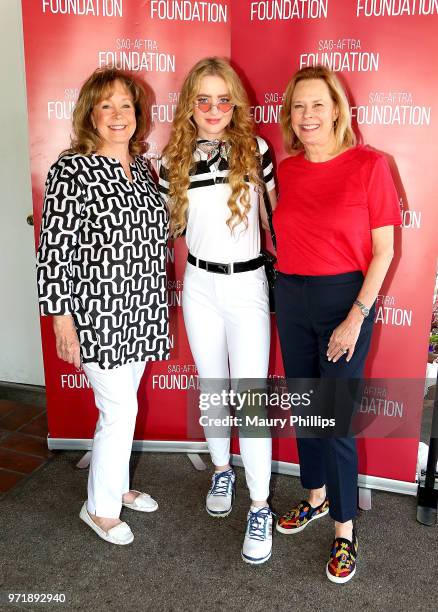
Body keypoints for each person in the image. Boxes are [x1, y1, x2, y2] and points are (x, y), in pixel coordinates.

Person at [273, 65, 401, 583]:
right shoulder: (286, 169)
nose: (307, 116)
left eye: (317, 105)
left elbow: (385, 249)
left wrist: (355, 317)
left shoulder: (371, 165)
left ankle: (344, 531)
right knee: (307, 408)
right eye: (298, 106)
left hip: (344, 301)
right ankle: (317, 497)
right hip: (291, 295)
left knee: (338, 421)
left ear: (337, 110)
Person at [36, 67, 169, 545]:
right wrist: (61, 321)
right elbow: (54, 250)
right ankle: (100, 509)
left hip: (141, 308)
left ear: (138, 115)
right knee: (119, 410)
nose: (117, 115)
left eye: (126, 106)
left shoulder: (143, 170)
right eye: (106, 105)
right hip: (97, 314)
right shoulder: (71, 169)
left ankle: (116, 484)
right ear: (90, 113)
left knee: (120, 408)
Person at [158, 57, 277, 564]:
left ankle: (261, 505)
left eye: (222, 98)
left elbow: (281, 223)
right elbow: (167, 228)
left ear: (235, 102)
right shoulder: (171, 159)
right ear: (190, 104)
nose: (212, 109)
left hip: (248, 285)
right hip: (200, 284)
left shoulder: (259, 150)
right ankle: (221, 469)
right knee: (213, 387)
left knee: (249, 398)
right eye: (202, 99)